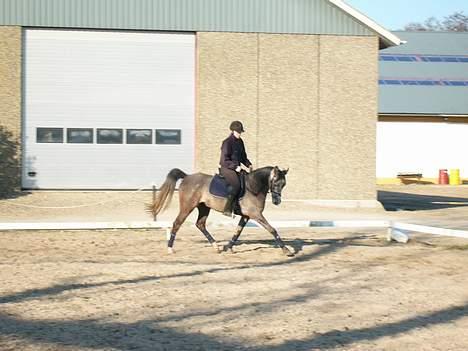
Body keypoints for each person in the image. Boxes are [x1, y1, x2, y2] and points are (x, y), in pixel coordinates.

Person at [219, 120, 252, 216]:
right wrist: (235, 167)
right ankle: (227, 209)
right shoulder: (227, 142)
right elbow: (224, 160)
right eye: (238, 132)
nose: (239, 134)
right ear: (233, 131)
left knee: (247, 182)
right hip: (227, 168)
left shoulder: (240, 142)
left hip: (236, 168)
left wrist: (248, 164)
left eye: (240, 132)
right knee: (236, 185)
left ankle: (239, 205)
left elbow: (243, 157)